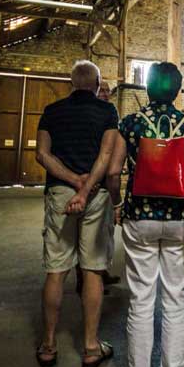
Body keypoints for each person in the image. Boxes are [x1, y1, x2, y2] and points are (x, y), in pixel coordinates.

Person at [108, 62, 184, 367]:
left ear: (147, 89)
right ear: (178, 91)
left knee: (141, 300)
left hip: (141, 218)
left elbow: (113, 171)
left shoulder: (130, 124)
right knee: (176, 301)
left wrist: (118, 204)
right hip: (180, 222)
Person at [35, 61, 118, 367]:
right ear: (97, 85)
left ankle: (48, 345)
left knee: (56, 270)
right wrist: (85, 187)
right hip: (95, 194)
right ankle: (91, 347)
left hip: (60, 193)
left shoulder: (52, 111)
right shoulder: (107, 112)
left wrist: (71, 181)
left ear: (72, 83)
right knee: (93, 269)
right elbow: (106, 155)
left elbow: (42, 154)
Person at [75, 78, 120, 296]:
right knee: (87, 238)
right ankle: (85, 281)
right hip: (90, 182)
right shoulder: (89, 114)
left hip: (104, 185)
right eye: (101, 89)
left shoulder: (110, 114)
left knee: (104, 234)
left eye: (107, 91)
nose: (104, 93)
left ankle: (101, 273)